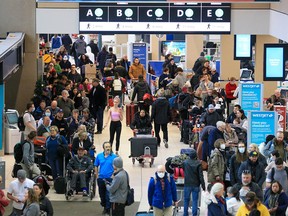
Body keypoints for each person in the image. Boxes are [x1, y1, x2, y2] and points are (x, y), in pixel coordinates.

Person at [94, 142, 117, 215]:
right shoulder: (99, 156)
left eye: (109, 147)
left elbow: (116, 168)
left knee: (108, 195)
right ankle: (104, 206)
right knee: (102, 194)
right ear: (103, 148)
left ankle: (107, 209)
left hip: (109, 179)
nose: (108, 148)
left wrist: (113, 176)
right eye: (106, 147)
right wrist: (97, 176)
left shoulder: (114, 157)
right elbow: (96, 166)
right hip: (101, 178)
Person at [183, 149, 205, 216]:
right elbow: (201, 176)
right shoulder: (198, 163)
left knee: (186, 200)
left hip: (187, 184)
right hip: (196, 185)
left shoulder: (185, 162)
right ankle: (194, 214)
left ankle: (185, 214)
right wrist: (203, 186)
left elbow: (183, 169)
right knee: (195, 201)